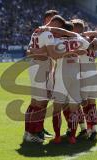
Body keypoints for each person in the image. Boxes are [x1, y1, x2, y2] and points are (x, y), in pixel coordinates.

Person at [24, 10, 59, 143]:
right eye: (51, 20)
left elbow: (31, 51)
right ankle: (31, 133)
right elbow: (33, 53)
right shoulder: (47, 33)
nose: (53, 23)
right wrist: (43, 52)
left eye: (55, 20)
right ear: (45, 20)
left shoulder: (39, 32)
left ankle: (37, 130)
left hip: (42, 67)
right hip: (39, 68)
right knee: (38, 102)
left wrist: (39, 51)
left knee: (41, 101)